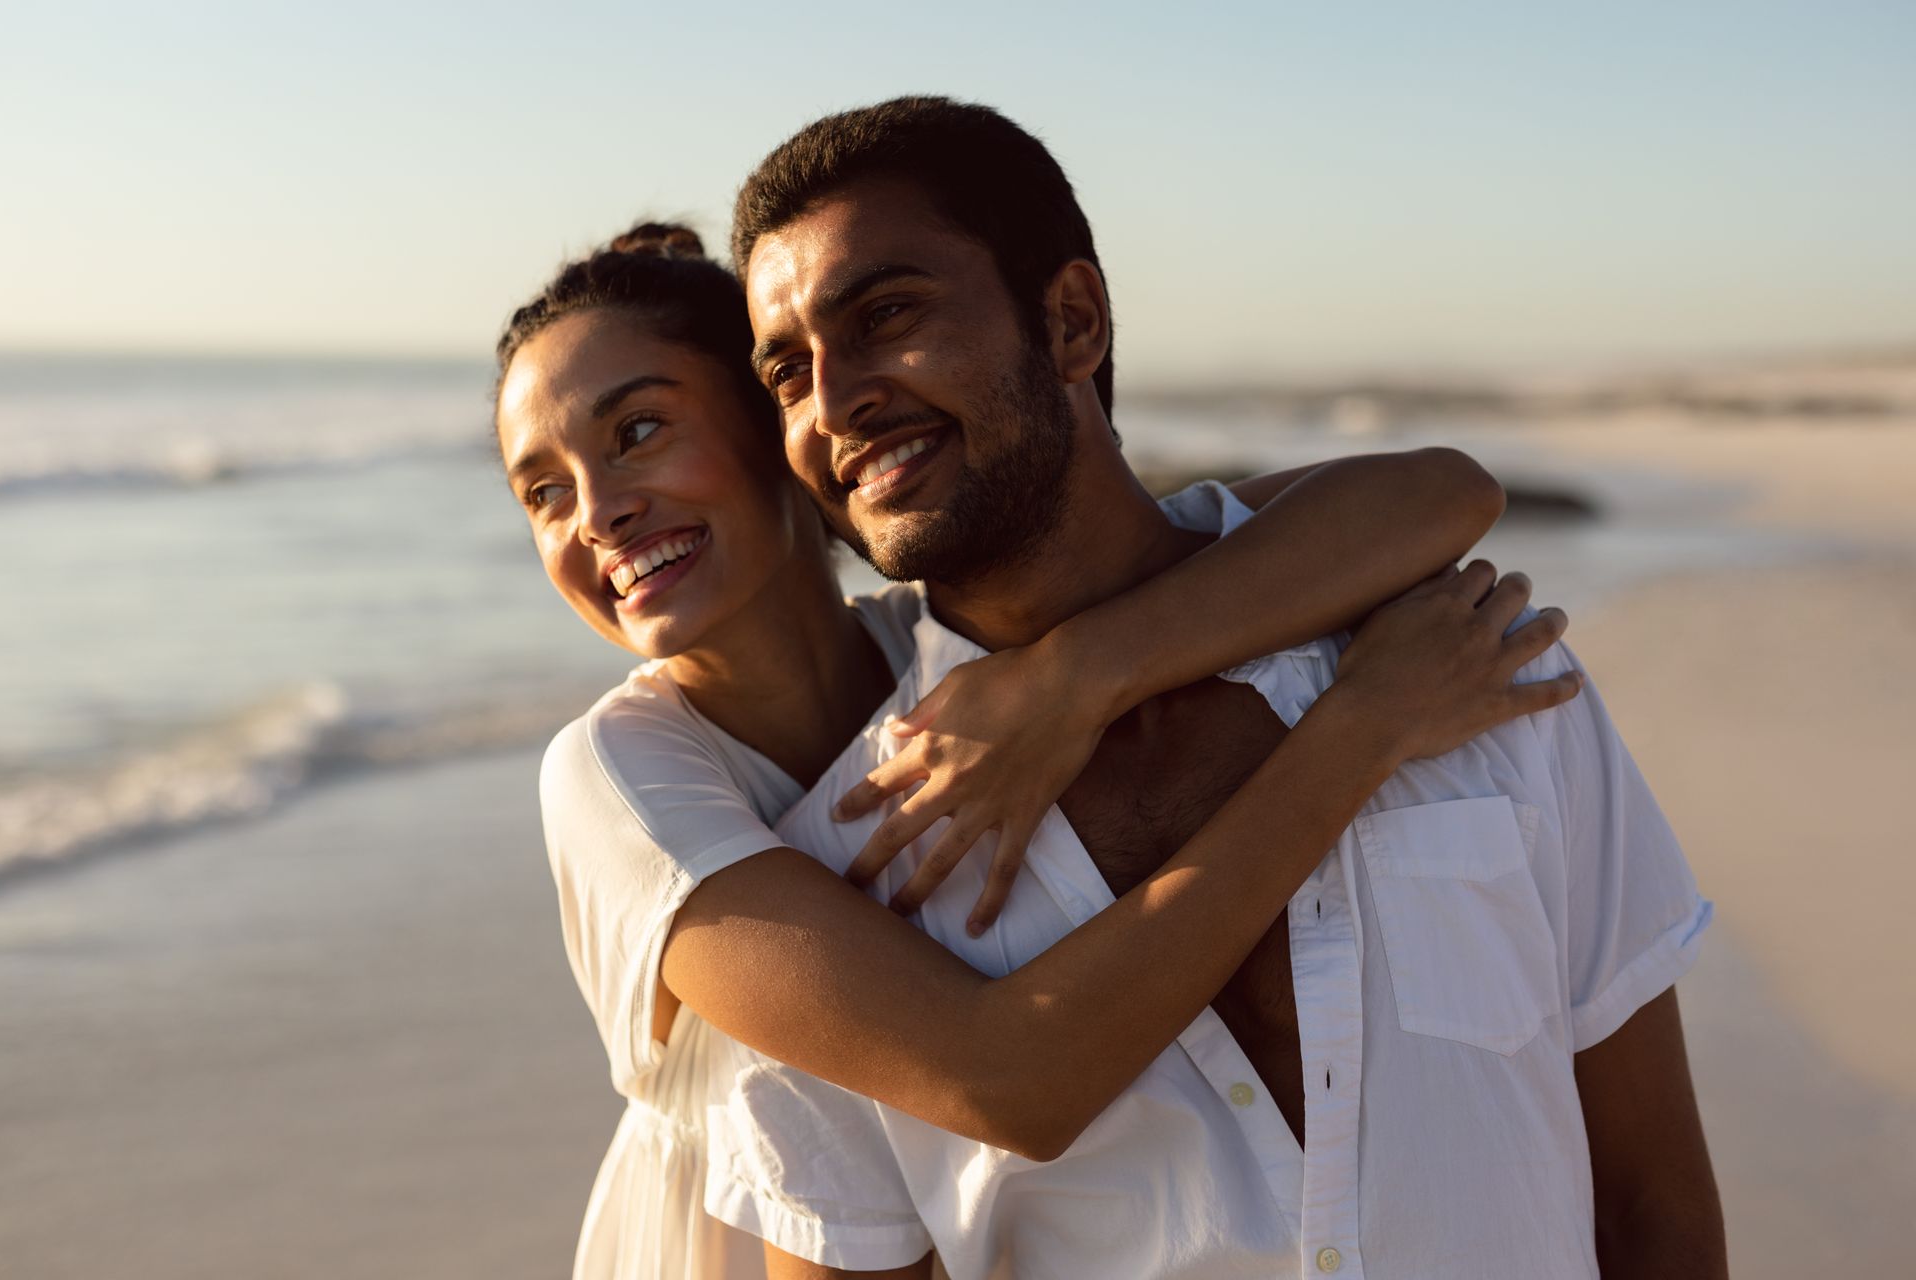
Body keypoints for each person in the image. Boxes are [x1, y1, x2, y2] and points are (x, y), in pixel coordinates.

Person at [703, 96, 1726, 1279]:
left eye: (887, 314)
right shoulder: (843, 876)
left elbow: (1654, 1201)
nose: (834, 403)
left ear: (1072, 320)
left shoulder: (1473, 657)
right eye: (786, 374)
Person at [495, 223, 1576, 1280]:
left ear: (774, 426)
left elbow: (1436, 494)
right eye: (540, 489)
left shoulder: (945, 642)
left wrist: (1073, 672)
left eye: (637, 432)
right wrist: (1363, 730)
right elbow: (1004, 1075)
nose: (595, 513)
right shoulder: (619, 775)